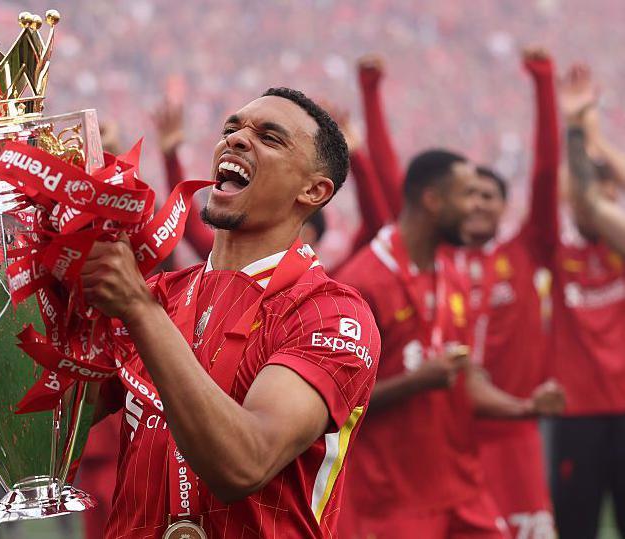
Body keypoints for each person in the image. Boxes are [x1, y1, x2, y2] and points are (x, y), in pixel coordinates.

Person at [0, 87, 382, 538]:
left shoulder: (330, 313)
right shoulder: (158, 295)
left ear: (314, 190)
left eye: (270, 137)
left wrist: (138, 310)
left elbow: (245, 464)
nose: (238, 139)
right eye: (232, 128)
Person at [355, 49, 565, 537]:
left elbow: (460, 374)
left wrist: (526, 408)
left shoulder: (455, 269)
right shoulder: (363, 282)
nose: (475, 206)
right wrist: (418, 381)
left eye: (486, 196)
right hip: (396, 499)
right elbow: (339, 407)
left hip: (465, 480)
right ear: (433, 201)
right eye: (467, 194)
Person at [549, 64, 625, 537]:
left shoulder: (619, 242)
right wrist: (576, 132)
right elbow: (576, 197)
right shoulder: (556, 251)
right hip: (577, 412)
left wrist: (589, 130)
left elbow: (597, 205)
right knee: (576, 527)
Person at [152, 95, 328, 259]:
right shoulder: (226, 261)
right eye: (229, 130)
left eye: (269, 138)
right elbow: (190, 227)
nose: (235, 138)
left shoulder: (324, 290)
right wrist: (171, 158)